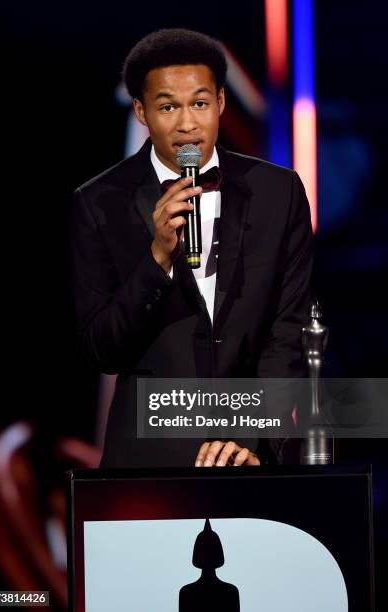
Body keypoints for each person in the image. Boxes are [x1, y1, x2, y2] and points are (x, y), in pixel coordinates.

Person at [70, 28, 313, 468]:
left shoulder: (279, 192)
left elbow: (288, 330)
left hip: (252, 456)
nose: (186, 123)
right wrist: (157, 259)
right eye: (168, 107)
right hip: (147, 464)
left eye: (200, 103)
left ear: (220, 102)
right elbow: (100, 349)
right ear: (142, 112)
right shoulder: (99, 202)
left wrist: (254, 438)